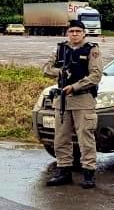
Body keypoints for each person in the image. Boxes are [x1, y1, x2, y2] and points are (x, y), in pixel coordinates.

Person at [42, 20, 105, 189]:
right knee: (61, 138)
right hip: (62, 101)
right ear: (67, 33)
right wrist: (61, 71)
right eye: (72, 31)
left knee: (86, 138)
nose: (75, 34)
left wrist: (75, 86)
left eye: (78, 31)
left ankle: (88, 173)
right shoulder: (61, 48)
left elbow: (96, 76)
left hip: (83, 100)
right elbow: (46, 69)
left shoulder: (92, 49)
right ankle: (64, 171)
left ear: (84, 33)